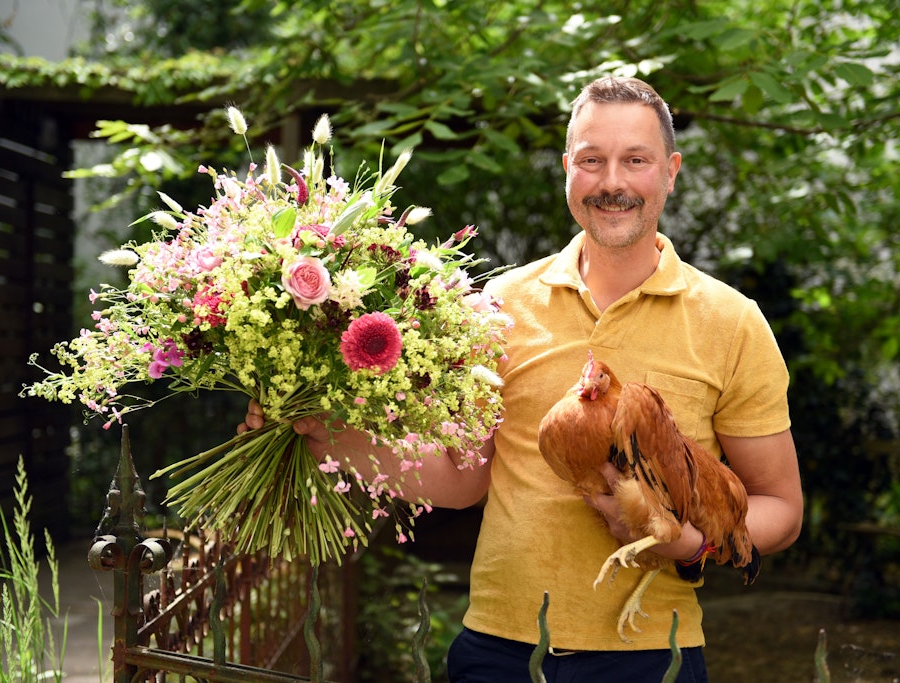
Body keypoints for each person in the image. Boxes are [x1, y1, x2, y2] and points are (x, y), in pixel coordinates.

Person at [241, 75, 802, 682]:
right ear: (568, 170)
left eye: (635, 160)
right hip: (500, 648)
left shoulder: (733, 322)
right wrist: (318, 430)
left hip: (649, 655)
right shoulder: (502, 303)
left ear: (670, 171)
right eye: (592, 160)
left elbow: (780, 508)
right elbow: (462, 478)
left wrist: (688, 545)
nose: (612, 182)